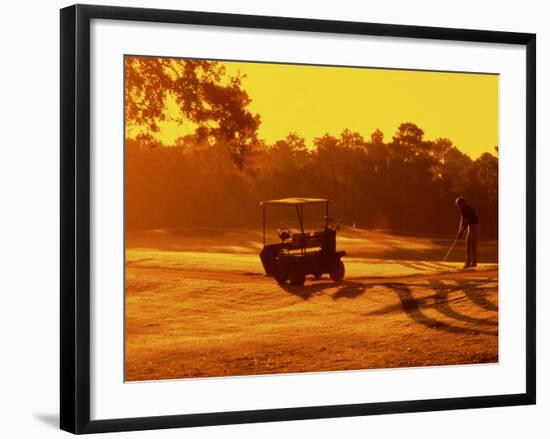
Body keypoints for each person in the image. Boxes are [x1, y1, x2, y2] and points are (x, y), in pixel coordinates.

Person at [455, 197, 479, 268]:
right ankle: (467, 263)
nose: (458, 207)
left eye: (458, 205)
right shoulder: (463, 209)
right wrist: (459, 232)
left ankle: (473, 263)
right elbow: (462, 221)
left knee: (473, 245)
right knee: (468, 245)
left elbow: (466, 222)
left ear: (461, 203)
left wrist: (461, 233)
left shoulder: (467, 209)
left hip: (474, 226)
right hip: (470, 226)